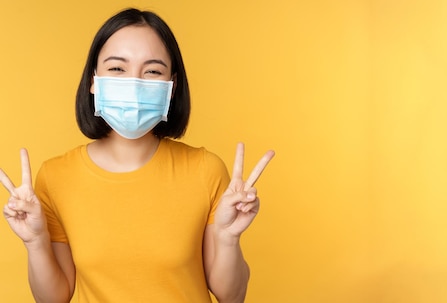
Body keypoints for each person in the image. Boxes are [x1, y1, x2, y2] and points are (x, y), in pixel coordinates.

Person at [0, 8, 274, 303]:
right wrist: (36, 242)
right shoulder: (55, 177)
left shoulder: (206, 170)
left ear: (172, 86)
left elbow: (231, 297)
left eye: (152, 71)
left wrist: (228, 238)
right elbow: (54, 299)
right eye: (117, 69)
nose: (133, 82)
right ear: (94, 80)